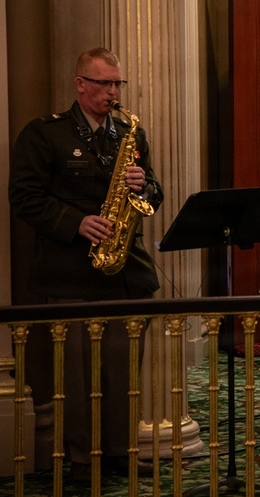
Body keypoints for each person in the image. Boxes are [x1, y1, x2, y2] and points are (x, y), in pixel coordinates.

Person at [9, 47, 163, 483]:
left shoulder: (129, 133)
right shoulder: (44, 135)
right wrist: (76, 223)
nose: (112, 92)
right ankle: (81, 458)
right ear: (80, 84)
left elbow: (153, 197)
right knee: (75, 375)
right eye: (103, 84)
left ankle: (119, 450)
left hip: (125, 270)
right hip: (69, 268)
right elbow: (24, 198)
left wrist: (144, 185)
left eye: (117, 84)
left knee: (123, 367)